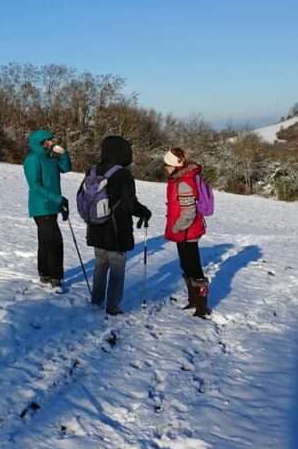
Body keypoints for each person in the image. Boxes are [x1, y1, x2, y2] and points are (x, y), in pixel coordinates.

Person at [84, 136, 153, 315]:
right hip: (116, 230)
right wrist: (144, 212)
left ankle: (96, 299)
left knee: (100, 264)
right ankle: (112, 306)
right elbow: (130, 204)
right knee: (117, 267)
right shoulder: (122, 174)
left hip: (96, 226)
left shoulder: (93, 170)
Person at [164, 147, 211, 318]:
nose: (165, 168)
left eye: (166, 165)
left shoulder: (184, 183)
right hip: (183, 232)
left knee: (194, 267)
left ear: (174, 165)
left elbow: (189, 213)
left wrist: (176, 227)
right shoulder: (178, 180)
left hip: (188, 231)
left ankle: (201, 307)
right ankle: (193, 300)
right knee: (186, 265)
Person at [23, 129, 72, 289]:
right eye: (48, 140)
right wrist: (57, 198)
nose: (51, 143)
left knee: (46, 241)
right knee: (54, 241)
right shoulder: (33, 159)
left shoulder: (50, 158)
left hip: (52, 205)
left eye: (51, 140)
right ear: (40, 142)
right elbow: (35, 185)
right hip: (41, 206)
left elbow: (66, 168)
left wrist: (63, 154)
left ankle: (45, 273)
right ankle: (55, 276)